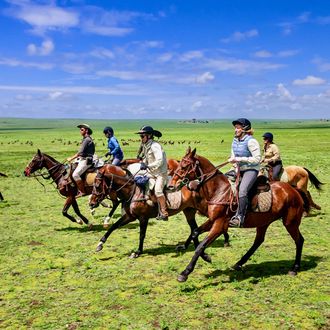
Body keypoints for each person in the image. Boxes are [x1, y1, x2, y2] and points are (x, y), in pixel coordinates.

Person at [228, 118, 261, 228]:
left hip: (251, 169)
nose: (235, 130)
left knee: (242, 190)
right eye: (235, 128)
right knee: (222, 180)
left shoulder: (251, 141)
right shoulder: (234, 141)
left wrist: (239, 159)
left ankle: (240, 217)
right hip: (239, 169)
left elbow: (257, 159)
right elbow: (233, 156)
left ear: (245, 129)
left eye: (237, 128)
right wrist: (233, 161)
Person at [135, 125, 168, 221]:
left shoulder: (155, 146)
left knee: (158, 191)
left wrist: (148, 166)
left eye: (142, 136)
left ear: (149, 136)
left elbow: (159, 161)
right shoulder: (146, 146)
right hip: (152, 173)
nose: (140, 138)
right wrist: (143, 163)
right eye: (140, 136)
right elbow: (146, 158)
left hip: (160, 174)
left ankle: (164, 211)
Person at [67, 123, 95, 197]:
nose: (80, 131)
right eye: (80, 130)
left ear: (86, 130)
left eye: (82, 129)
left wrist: (71, 158)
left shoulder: (87, 140)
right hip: (82, 159)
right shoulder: (85, 139)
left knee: (75, 175)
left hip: (86, 160)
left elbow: (80, 152)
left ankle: (82, 191)